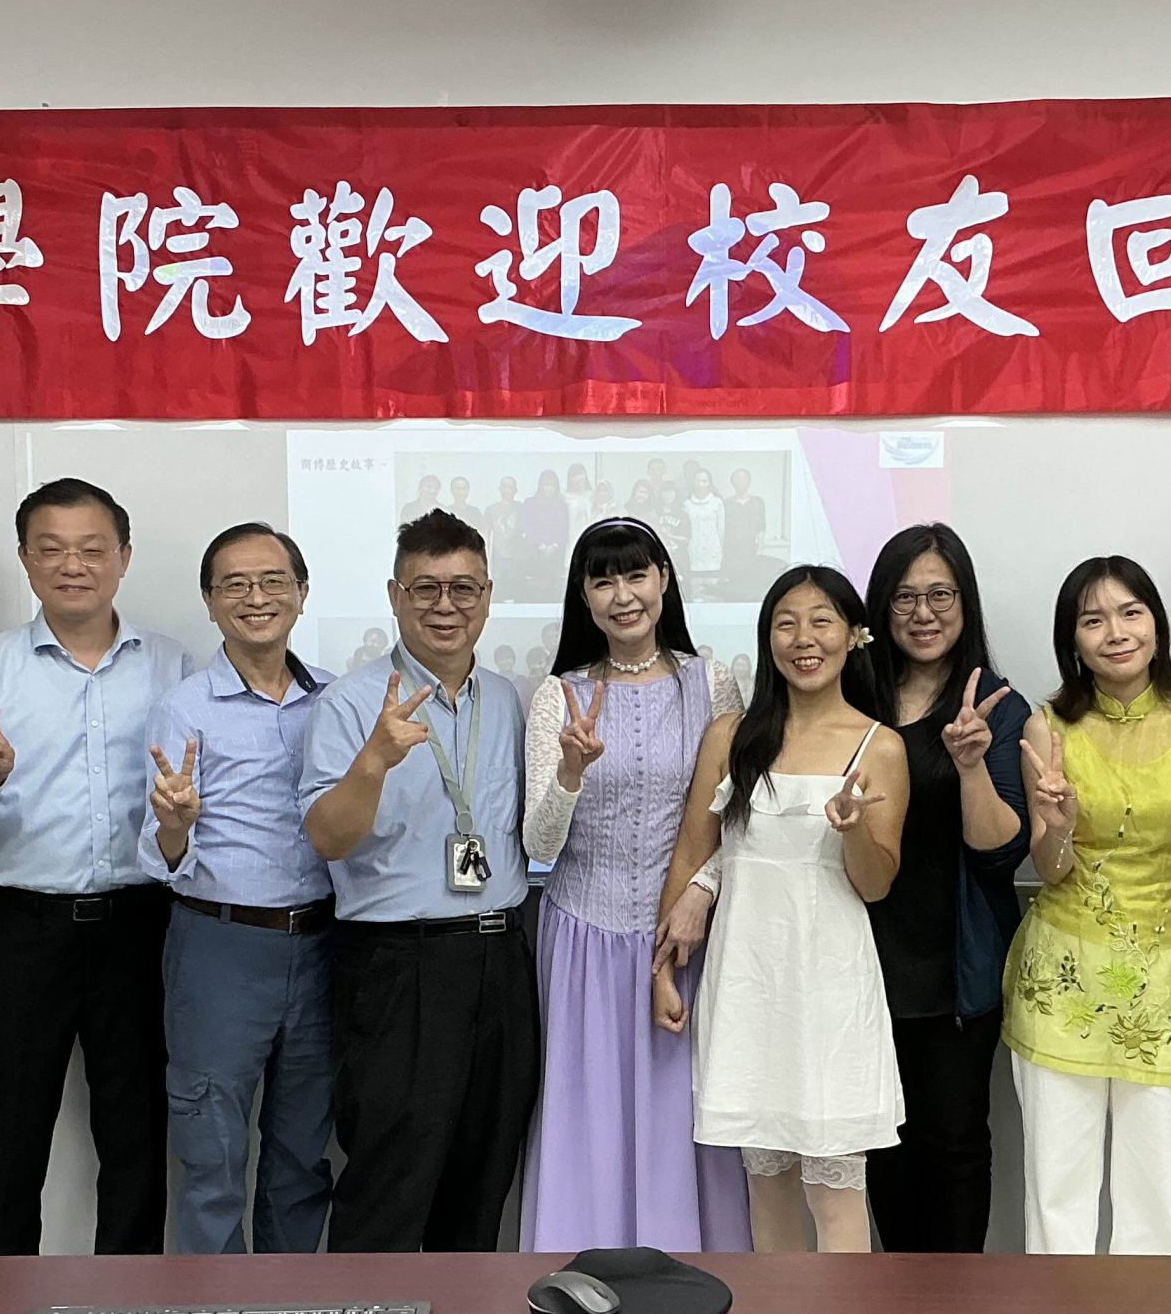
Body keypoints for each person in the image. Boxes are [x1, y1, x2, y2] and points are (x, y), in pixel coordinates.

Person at [0, 479, 190, 1256]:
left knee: (136, 1132)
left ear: (124, 557)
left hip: (140, 925)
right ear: (25, 558)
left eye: (91, 549)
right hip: (23, 928)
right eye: (51, 549)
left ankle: (129, 1304)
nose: (72, 565)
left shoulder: (173, 665)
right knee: (11, 1134)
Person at [301, 510, 538, 1251]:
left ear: (487, 596)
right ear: (395, 596)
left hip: (500, 957)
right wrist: (373, 761)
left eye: (463, 589)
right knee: (392, 1177)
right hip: (399, 964)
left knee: (484, 1171)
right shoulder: (350, 703)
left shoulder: (507, 698)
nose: (445, 606)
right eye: (426, 588)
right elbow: (327, 838)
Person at [654, 566, 909, 1254]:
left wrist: (853, 828)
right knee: (765, 1189)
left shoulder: (879, 746)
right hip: (748, 984)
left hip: (831, 990)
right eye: (786, 623)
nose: (804, 639)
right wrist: (661, 971)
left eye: (822, 621)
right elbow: (694, 855)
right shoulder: (732, 736)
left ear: (854, 636)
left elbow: (875, 885)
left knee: (834, 1193)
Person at [1004, 556, 1171, 1257]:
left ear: (1156, 624)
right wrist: (1055, 825)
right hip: (1065, 981)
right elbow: (1051, 870)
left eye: (1130, 612)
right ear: (1073, 641)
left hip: (1168, 985)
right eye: (1093, 620)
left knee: (1152, 1206)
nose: (1116, 632)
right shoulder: (1048, 729)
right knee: (1058, 1200)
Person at [519, 518, 751, 1253]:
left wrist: (700, 893)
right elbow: (538, 845)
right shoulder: (558, 695)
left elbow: (735, 818)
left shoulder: (711, 683)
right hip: (582, 942)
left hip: (687, 943)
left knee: (686, 1118)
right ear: (583, 597)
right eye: (603, 580)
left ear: (664, 580)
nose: (623, 595)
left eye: (636, 575)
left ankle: (696, 1270)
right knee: (587, 1117)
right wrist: (570, 773)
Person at [141, 523, 336, 1256]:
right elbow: (160, 852)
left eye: (273, 581)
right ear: (210, 600)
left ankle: (288, 1306)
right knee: (211, 1153)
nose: (257, 598)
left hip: (321, 943)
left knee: (303, 1154)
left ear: (302, 593)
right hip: (219, 946)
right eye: (235, 585)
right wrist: (175, 825)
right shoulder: (185, 708)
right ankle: (213, 1312)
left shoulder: (335, 700)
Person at [859, 525, 1031, 1253]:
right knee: (879, 1141)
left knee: (954, 1142)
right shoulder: (849, 694)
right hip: (860, 958)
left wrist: (969, 766)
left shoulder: (996, 707)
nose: (923, 613)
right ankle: (897, 1302)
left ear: (965, 603)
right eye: (905, 597)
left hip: (954, 964)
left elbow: (1002, 853)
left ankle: (957, 1307)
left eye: (941, 595)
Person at [680, 470, 727, 598]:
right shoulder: (687, 504)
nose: (701, 484)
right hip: (694, 552)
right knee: (696, 592)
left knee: (713, 592)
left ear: (709, 483)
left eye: (704, 481)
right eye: (698, 481)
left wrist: (720, 550)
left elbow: (721, 530)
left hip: (713, 551)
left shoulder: (717, 503)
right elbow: (685, 530)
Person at [522, 468, 572, 587]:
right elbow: (528, 527)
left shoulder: (561, 505)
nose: (549, 488)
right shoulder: (530, 503)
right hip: (534, 553)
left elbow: (564, 530)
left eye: (552, 485)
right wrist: (540, 545)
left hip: (555, 554)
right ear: (540, 486)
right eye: (546, 485)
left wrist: (554, 546)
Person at [722, 468, 767, 596]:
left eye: (744, 479)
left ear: (749, 481)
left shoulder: (757, 502)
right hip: (731, 551)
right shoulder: (726, 504)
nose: (741, 482)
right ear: (733, 482)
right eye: (737, 479)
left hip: (751, 549)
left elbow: (761, 527)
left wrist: (760, 549)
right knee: (733, 586)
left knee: (751, 584)